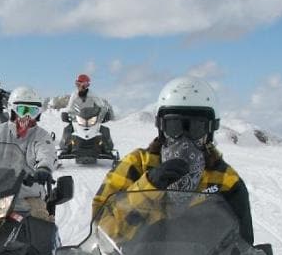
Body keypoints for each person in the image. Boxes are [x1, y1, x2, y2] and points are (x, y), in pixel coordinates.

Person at [92, 76, 255, 245]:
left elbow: (242, 246)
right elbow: (101, 229)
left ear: (210, 130)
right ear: (161, 128)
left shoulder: (225, 180)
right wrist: (148, 188)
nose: (184, 139)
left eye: (196, 128)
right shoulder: (136, 165)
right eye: (174, 126)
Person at [0, 85, 63, 255]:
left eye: (32, 111)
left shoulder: (41, 135)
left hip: (28, 195)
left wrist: (44, 169)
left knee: (41, 225)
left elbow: (45, 152)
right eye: (21, 110)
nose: (26, 117)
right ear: (12, 110)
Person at [50, 73, 117, 156]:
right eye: (77, 84)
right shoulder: (74, 95)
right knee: (68, 129)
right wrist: (66, 114)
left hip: (92, 118)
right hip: (78, 118)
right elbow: (70, 107)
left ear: (86, 85)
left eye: (81, 84)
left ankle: (107, 149)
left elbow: (101, 106)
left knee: (104, 130)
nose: (79, 87)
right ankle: (65, 149)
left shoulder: (92, 95)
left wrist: (104, 115)